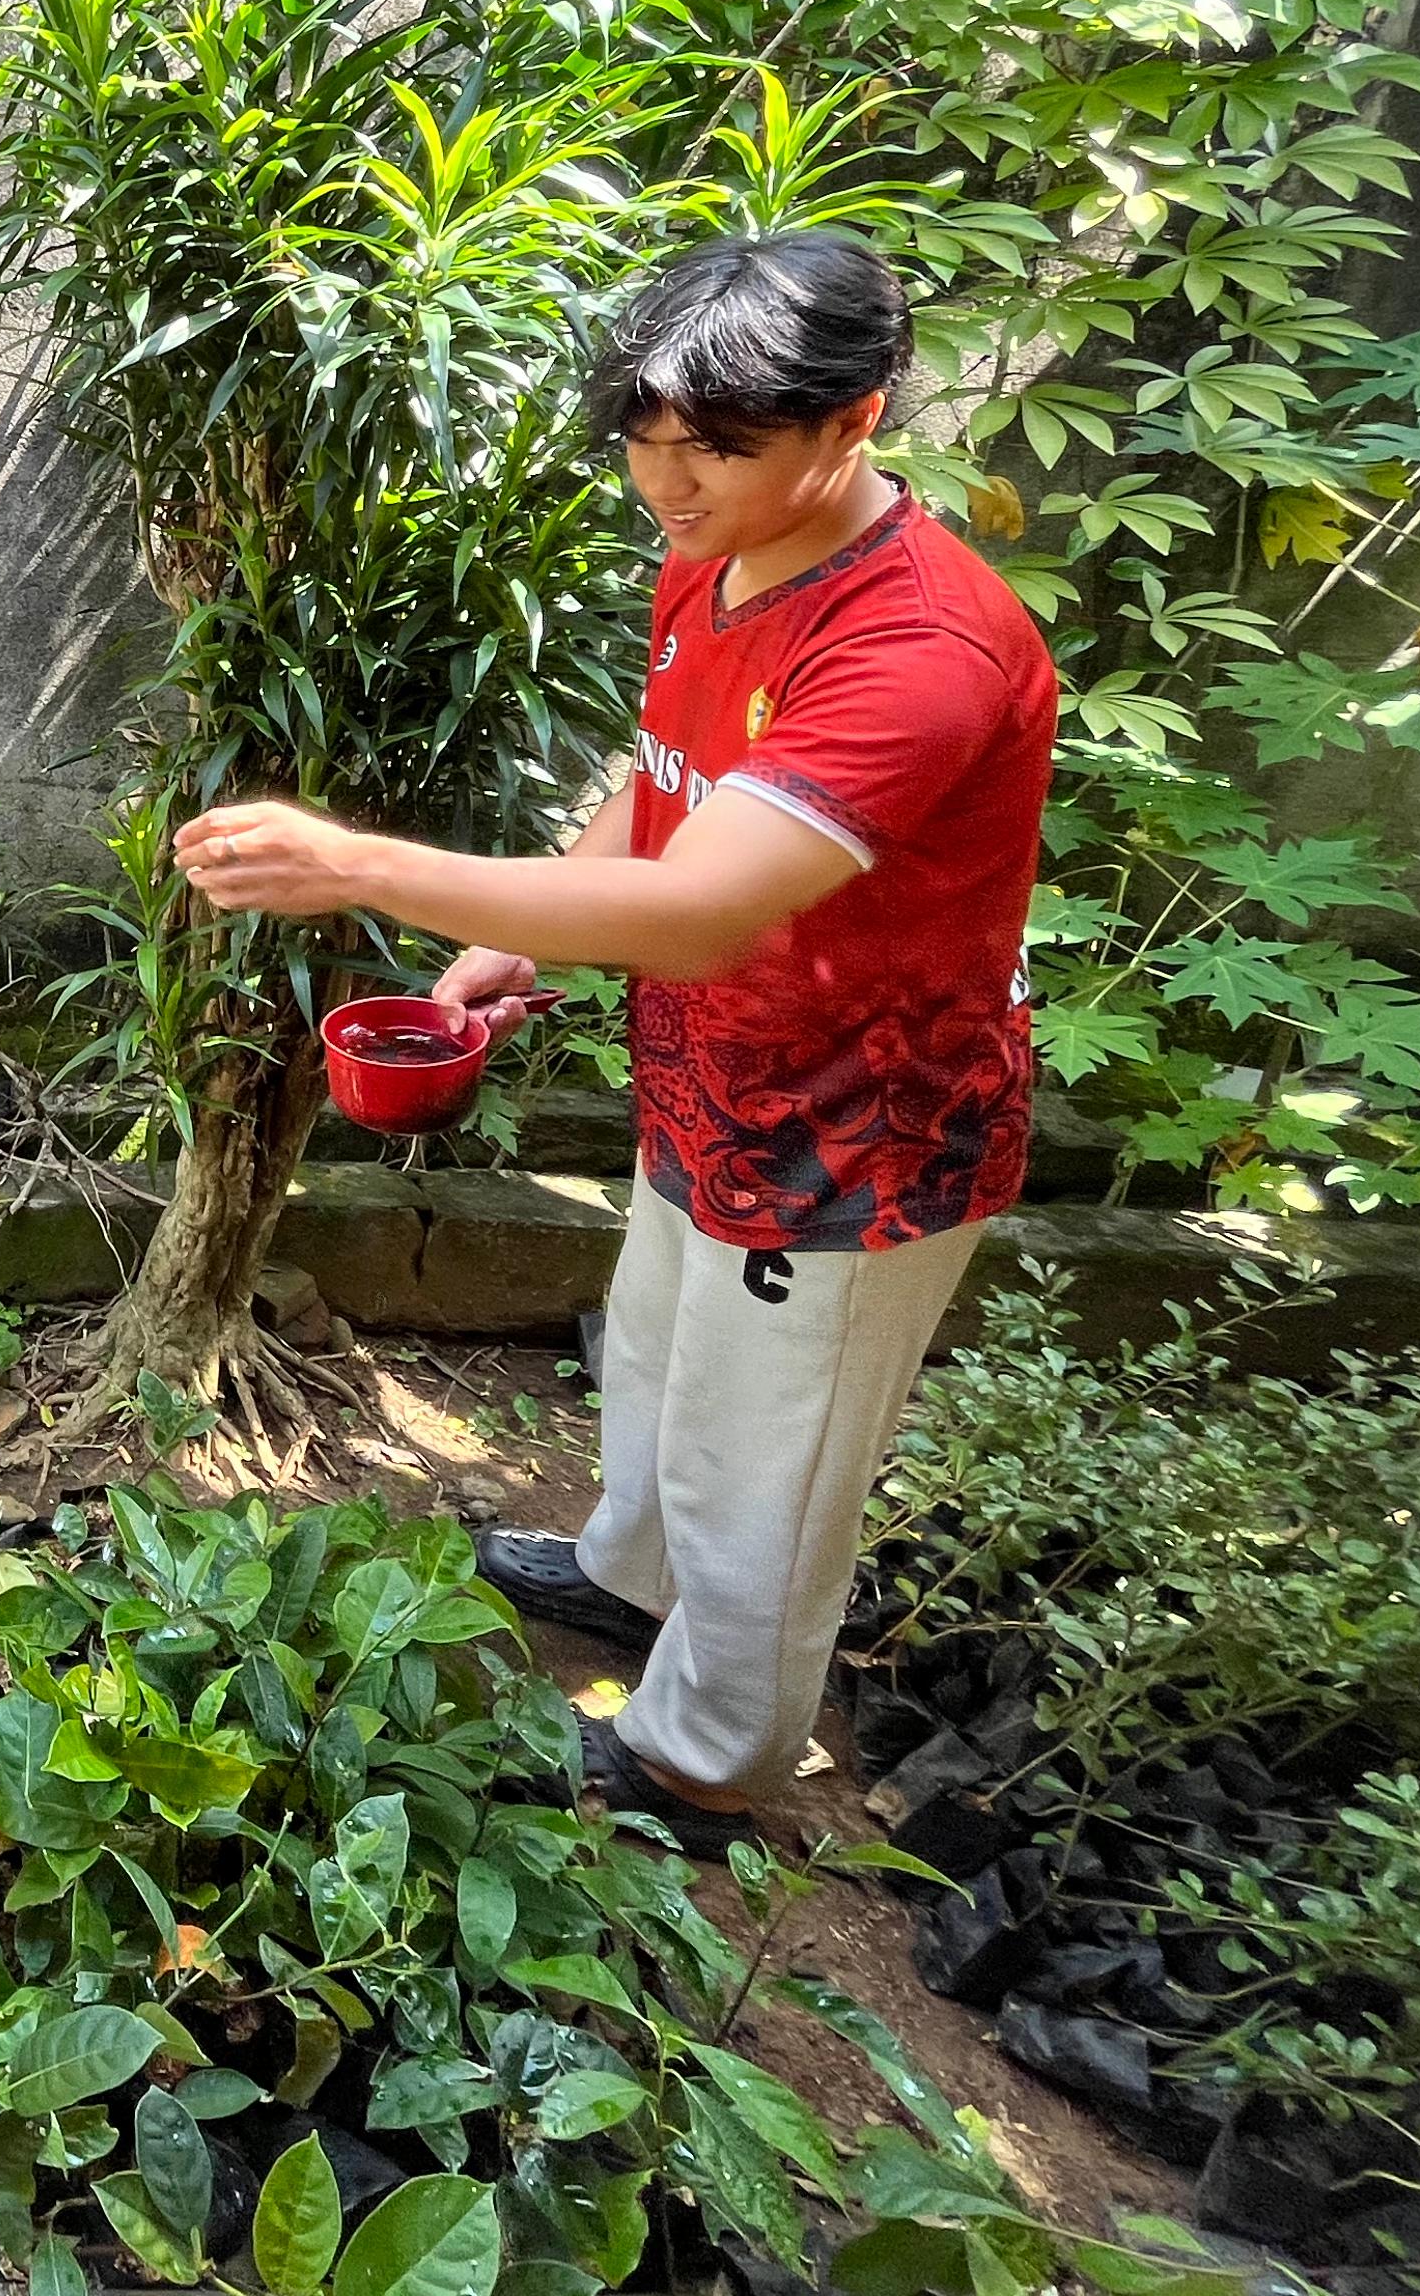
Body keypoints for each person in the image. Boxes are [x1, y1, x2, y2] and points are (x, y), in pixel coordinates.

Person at [170, 231, 1056, 1853]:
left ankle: (709, 1758)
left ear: (852, 424)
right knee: (651, 1349)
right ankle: (626, 1575)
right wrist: (505, 936)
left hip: (855, 1139)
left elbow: (713, 901)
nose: (670, 478)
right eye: (650, 437)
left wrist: (354, 864)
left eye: (717, 445)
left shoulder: (918, 646)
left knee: (765, 1460)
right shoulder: (719, 557)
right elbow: (662, 794)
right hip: (712, 1075)